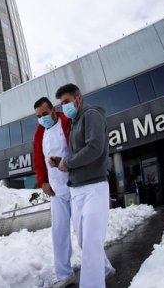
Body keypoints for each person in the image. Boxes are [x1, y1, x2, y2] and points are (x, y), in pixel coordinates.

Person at [52, 83, 115, 288]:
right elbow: (75, 155)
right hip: (77, 190)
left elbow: (95, 148)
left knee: (90, 245)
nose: (64, 107)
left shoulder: (92, 115)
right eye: (61, 104)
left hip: (94, 188)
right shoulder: (74, 124)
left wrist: (67, 162)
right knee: (84, 243)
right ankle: (104, 269)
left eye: (67, 102)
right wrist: (62, 160)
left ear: (78, 99)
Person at [32, 97, 74, 287]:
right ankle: (65, 274)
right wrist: (42, 183)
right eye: (39, 116)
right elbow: (39, 161)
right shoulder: (40, 133)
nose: (42, 119)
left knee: (84, 232)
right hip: (56, 191)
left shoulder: (68, 122)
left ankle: (102, 267)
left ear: (53, 109)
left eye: (45, 114)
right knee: (59, 233)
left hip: (75, 185)